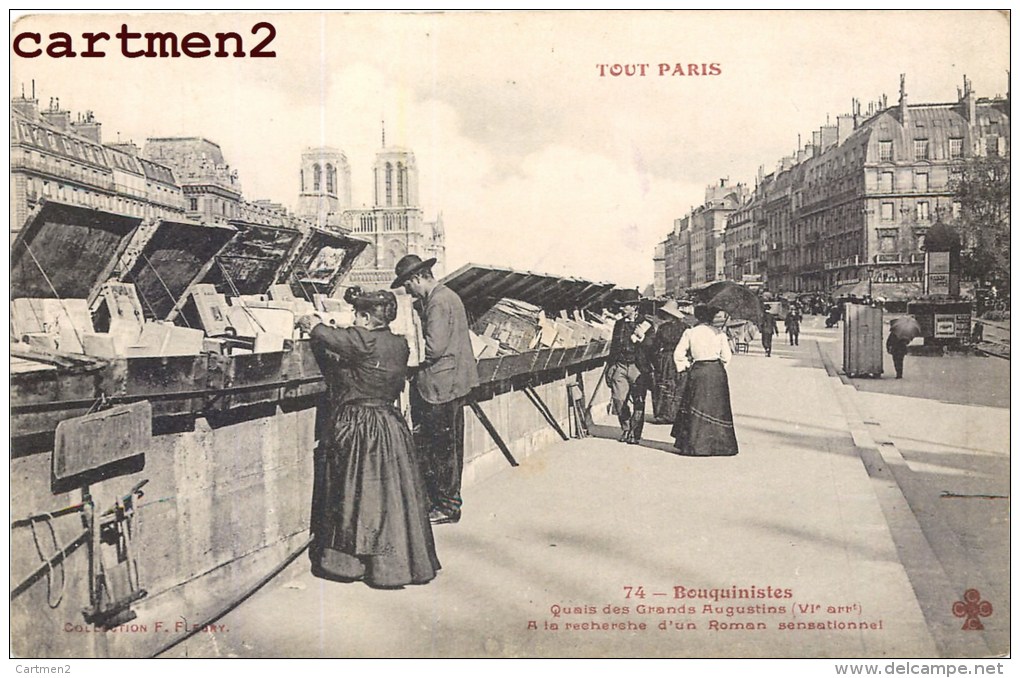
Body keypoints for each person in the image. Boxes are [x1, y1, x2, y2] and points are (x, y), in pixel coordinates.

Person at [298, 288, 440, 588]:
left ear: (365, 317)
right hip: (389, 423)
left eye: (357, 316)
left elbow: (326, 335)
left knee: (356, 495)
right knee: (391, 497)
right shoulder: (398, 344)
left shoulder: (363, 340)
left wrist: (311, 322)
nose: (354, 320)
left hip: (361, 424)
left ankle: (351, 564)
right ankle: (396, 564)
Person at [392, 254, 479, 526]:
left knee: (440, 449)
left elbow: (434, 347)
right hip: (451, 383)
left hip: (440, 387)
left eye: (408, 286)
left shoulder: (438, 302)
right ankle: (448, 503)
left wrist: (403, 353)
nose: (408, 292)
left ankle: (446, 506)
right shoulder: (447, 296)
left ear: (418, 278)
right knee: (449, 447)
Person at [670, 304, 739, 456]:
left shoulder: (690, 332)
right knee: (717, 408)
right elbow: (727, 357)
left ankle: (695, 446)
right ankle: (719, 446)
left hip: (698, 371)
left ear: (697, 316)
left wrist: (686, 366)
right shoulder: (719, 333)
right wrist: (719, 369)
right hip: (716, 372)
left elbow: (678, 355)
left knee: (695, 405)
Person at [606, 290, 654, 444]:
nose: (621, 309)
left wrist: (642, 337)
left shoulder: (647, 325)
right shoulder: (618, 324)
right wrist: (610, 366)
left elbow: (652, 346)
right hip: (620, 365)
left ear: (634, 307)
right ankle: (626, 428)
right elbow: (614, 347)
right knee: (619, 400)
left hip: (638, 367)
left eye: (625, 306)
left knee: (638, 401)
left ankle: (635, 433)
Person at [650, 300, 690, 424]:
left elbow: (656, 345)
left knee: (663, 384)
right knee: (677, 386)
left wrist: (655, 358)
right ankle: (675, 413)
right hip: (680, 358)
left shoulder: (663, 328)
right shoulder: (685, 327)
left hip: (666, 358)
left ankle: (663, 413)